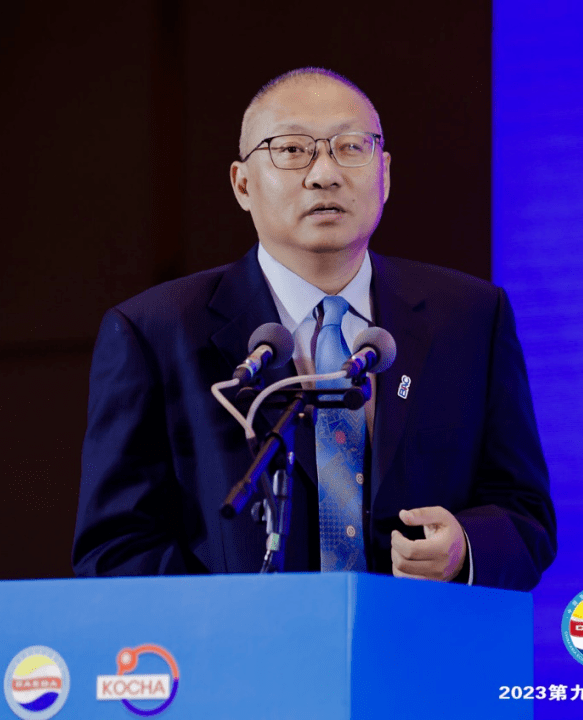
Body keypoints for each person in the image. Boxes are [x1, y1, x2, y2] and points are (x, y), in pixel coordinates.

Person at [72, 68, 556, 589]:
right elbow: (114, 548)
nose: (325, 174)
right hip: (238, 642)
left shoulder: (469, 317)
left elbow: (525, 514)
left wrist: (465, 547)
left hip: (418, 634)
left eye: (351, 147)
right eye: (292, 150)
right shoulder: (154, 332)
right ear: (242, 184)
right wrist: (229, 623)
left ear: (385, 174)